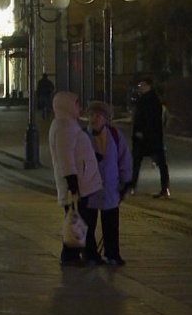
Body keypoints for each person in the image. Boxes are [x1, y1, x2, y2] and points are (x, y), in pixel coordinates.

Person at [49, 91, 103, 266]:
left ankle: (83, 254)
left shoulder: (68, 125)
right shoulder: (64, 127)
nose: (78, 108)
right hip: (78, 186)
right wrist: (73, 186)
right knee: (80, 221)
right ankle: (75, 255)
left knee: (81, 222)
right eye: (76, 104)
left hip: (82, 184)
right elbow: (66, 159)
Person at [86, 101, 132, 265]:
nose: (93, 119)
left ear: (105, 119)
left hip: (110, 186)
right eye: (91, 115)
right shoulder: (84, 136)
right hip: (89, 187)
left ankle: (112, 254)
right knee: (88, 223)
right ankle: (90, 254)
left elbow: (123, 158)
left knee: (111, 223)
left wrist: (126, 181)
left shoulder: (114, 134)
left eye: (97, 116)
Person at [130, 75, 170, 198]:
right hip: (151, 137)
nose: (140, 88)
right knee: (158, 163)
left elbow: (147, 119)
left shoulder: (149, 100)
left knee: (138, 162)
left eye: (141, 85)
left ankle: (133, 186)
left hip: (147, 137)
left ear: (148, 86)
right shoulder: (150, 99)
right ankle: (164, 188)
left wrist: (140, 131)